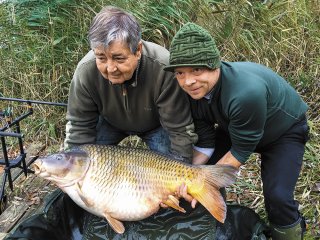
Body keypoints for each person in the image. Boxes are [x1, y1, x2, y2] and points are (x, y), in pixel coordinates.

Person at [164, 22, 309, 240]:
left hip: (283, 132)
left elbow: (240, 152)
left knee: (278, 196)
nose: (188, 81)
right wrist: (186, 178)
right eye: (180, 73)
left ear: (215, 65)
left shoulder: (245, 93)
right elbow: (205, 141)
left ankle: (289, 233)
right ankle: (214, 218)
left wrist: (200, 182)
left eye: (197, 69)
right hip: (234, 128)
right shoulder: (190, 92)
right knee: (198, 175)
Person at [64, 6, 197, 162]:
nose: (110, 68)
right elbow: (79, 126)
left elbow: (179, 129)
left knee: (175, 168)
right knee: (82, 163)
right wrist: (72, 170)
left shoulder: (164, 68)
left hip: (157, 125)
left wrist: (182, 169)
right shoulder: (85, 71)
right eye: (101, 58)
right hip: (108, 123)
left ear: (138, 50)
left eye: (119, 58)